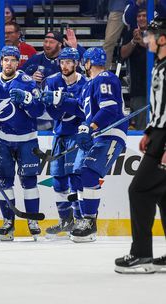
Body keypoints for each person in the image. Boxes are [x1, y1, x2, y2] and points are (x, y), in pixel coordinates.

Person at [115, 18, 166, 274]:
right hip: (159, 135)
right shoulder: (159, 65)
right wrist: (149, 131)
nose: (146, 40)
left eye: (151, 35)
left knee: (139, 191)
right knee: (164, 194)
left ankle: (142, 254)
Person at [0, 46, 44, 241]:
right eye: (6, 60)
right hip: (2, 140)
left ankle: (32, 221)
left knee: (29, 182)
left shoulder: (27, 82)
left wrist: (27, 99)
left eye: (12, 60)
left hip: (27, 140)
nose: (9, 63)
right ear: (1, 61)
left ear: (18, 62)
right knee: (4, 183)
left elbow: (39, 110)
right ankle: (8, 222)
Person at [71, 47, 127, 243]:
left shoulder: (105, 77)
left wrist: (90, 126)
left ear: (87, 63)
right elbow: (78, 107)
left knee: (88, 172)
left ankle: (89, 221)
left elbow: (110, 108)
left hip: (111, 133)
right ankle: (82, 219)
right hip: (98, 136)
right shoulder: (89, 85)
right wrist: (55, 98)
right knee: (79, 175)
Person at [40, 48, 88, 238]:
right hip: (59, 135)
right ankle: (66, 220)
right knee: (58, 180)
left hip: (77, 136)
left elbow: (84, 111)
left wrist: (63, 99)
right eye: (62, 62)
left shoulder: (85, 83)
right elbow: (52, 113)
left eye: (68, 62)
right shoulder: (52, 81)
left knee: (75, 178)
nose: (64, 66)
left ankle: (80, 219)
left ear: (76, 63)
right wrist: (68, 103)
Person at [120, 7, 147, 130]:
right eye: (139, 16)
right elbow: (123, 54)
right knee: (141, 124)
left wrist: (142, 42)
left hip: (159, 87)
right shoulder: (130, 33)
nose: (141, 18)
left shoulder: (159, 33)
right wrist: (133, 41)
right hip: (138, 87)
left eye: (144, 15)